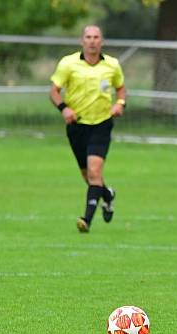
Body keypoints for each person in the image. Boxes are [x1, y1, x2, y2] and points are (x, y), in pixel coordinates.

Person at [49, 25, 125, 233]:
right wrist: (64, 109)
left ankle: (86, 220)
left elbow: (121, 88)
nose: (92, 40)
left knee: (94, 172)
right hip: (76, 127)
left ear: (102, 41)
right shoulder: (68, 63)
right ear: (82, 40)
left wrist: (120, 103)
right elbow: (54, 91)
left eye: (96, 37)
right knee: (89, 176)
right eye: (88, 37)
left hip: (101, 124)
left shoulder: (112, 65)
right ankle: (107, 195)